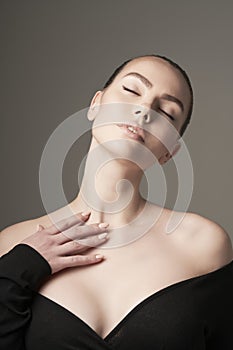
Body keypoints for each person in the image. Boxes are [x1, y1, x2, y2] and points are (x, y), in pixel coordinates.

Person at [0, 54, 233, 350]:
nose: (145, 110)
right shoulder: (15, 245)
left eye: (167, 112)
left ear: (170, 151)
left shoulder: (203, 245)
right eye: (132, 90)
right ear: (95, 104)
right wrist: (24, 265)